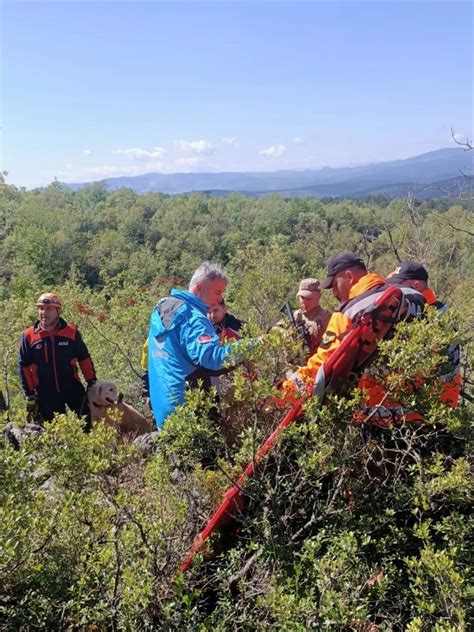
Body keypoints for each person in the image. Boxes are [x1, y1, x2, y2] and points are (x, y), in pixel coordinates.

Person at [281, 252, 425, 407]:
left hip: (370, 407)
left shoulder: (349, 312)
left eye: (335, 284)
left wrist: (283, 394)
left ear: (349, 277)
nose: (334, 292)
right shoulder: (405, 298)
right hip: (417, 403)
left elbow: (321, 365)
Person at [148, 262, 243, 428]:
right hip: (191, 410)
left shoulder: (162, 306)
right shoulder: (193, 318)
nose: (219, 298)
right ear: (199, 288)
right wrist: (255, 346)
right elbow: (213, 361)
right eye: (217, 292)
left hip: (164, 407)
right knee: (205, 454)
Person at [386, 261, 461, 406]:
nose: (397, 290)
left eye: (401, 285)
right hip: (432, 406)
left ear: (416, 286)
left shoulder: (435, 314)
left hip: (429, 409)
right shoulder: (434, 310)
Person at [18, 292, 97, 425]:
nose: (44, 312)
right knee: (56, 434)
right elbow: (23, 366)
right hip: (46, 392)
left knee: (88, 425)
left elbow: (84, 358)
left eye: (49, 309)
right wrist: (29, 392)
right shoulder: (28, 336)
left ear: (58, 311)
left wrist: (92, 381)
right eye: (41, 308)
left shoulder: (71, 332)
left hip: (73, 388)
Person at [293, 278, 331, 354]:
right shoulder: (295, 316)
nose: (304, 302)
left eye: (309, 298)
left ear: (319, 296)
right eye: (302, 297)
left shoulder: (327, 319)